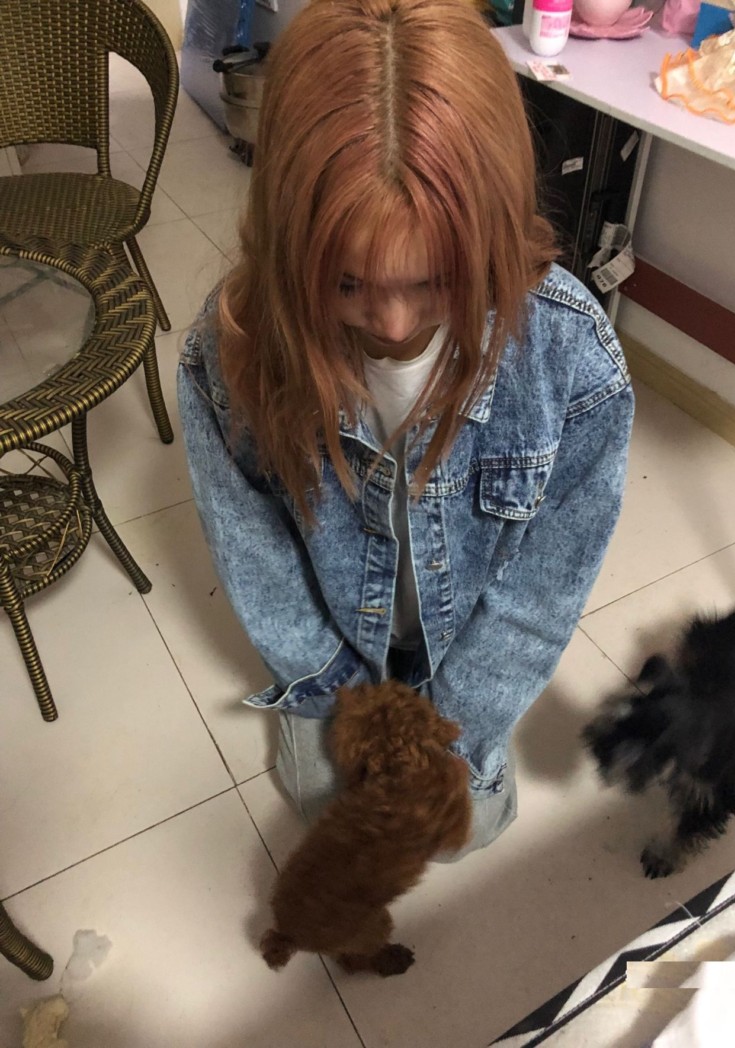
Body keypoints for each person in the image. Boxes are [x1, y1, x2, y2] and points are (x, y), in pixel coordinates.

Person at [177, 0, 634, 860]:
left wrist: (447, 732)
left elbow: (539, 598)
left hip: (467, 651)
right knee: (328, 809)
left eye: (433, 282)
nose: (391, 324)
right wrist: (339, 697)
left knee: (461, 836)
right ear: (287, 239)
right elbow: (257, 563)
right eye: (348, 284)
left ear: (494, 232)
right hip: (332, 652)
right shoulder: (227, 355)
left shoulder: (575, 365)